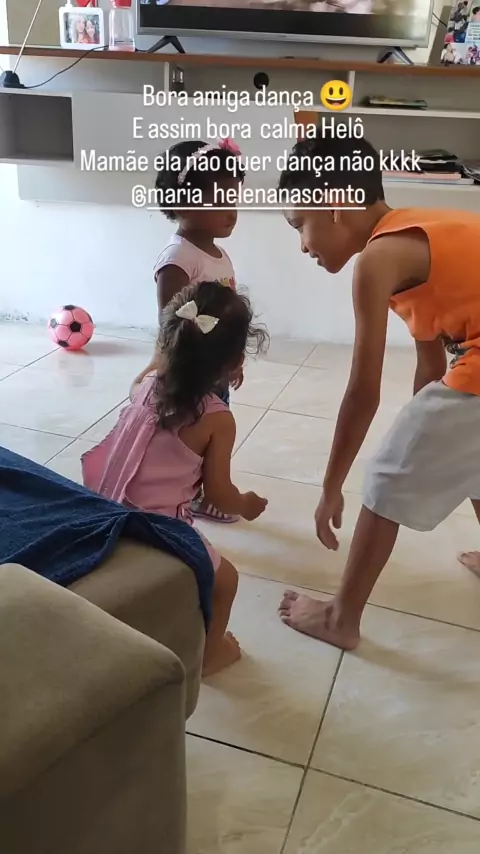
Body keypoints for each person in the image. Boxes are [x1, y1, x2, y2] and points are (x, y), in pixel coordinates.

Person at [276, 130, 480, 650]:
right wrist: (425, 428)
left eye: (300, 225)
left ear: (335, 205)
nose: (302, 246)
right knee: (470, 451)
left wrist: (331, 486)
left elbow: (362, 391)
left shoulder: (376, 260)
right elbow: (431, 367)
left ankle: (339, 618)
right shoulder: (416, 234)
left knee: (389, 474)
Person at [82, 280, 268, 676]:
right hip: (153, 529)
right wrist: (246, 504)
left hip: (100, 510)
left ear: (168, 343)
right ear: (236, 361)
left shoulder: (145, 386)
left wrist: (160, 360)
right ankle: (211, 655)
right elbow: (218, 495)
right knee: (226, 581)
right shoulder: (216, 419)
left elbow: (142, 379)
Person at [132, 138, 245, 523]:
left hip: (215, 369)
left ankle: (206, 490)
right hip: (192, 371)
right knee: (195, 434)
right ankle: (196, 492)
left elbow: (227, 316)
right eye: (220, 200)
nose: (231, 211)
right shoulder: (178, 259)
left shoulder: (217, 253)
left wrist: (232, 358)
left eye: (234, 199)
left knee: (216, 430)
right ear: (181, 203)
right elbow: (173, 324)